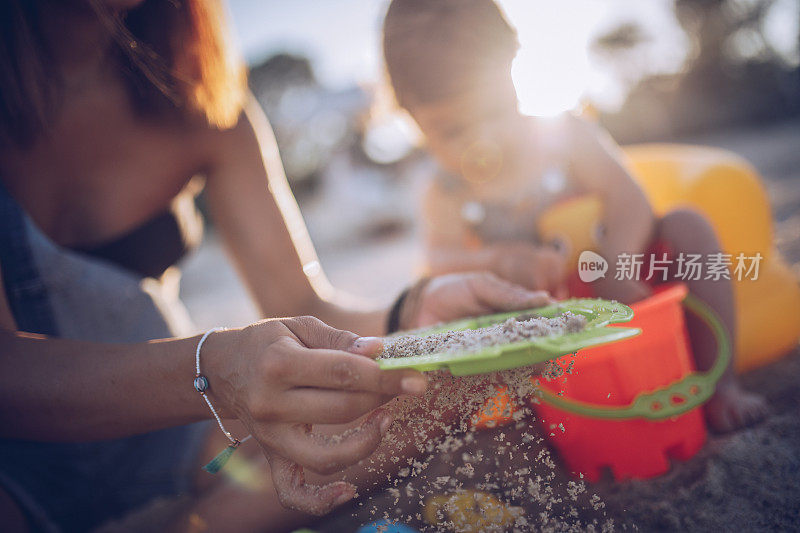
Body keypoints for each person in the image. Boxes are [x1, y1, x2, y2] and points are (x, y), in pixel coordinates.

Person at [0, 0, 553, 531]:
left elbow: (303, 306)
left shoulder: (202, 95)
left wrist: (412, 308)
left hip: (175, 436)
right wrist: (213, 369)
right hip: (19, 470)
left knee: (428, 391)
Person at [382, 0, 768, 433]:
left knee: (687, 226)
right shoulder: (444, 190)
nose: (482, 139)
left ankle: (722, 386)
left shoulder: (563, 135)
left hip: (624, 282)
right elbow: (440, 260)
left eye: (494, 112)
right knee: (451, 325)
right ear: (412, 121)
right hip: (544, 318)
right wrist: (498, 262)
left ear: (512, 68)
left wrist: (617, 262)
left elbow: (629, 198)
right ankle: (536, 417)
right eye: (451, 132)